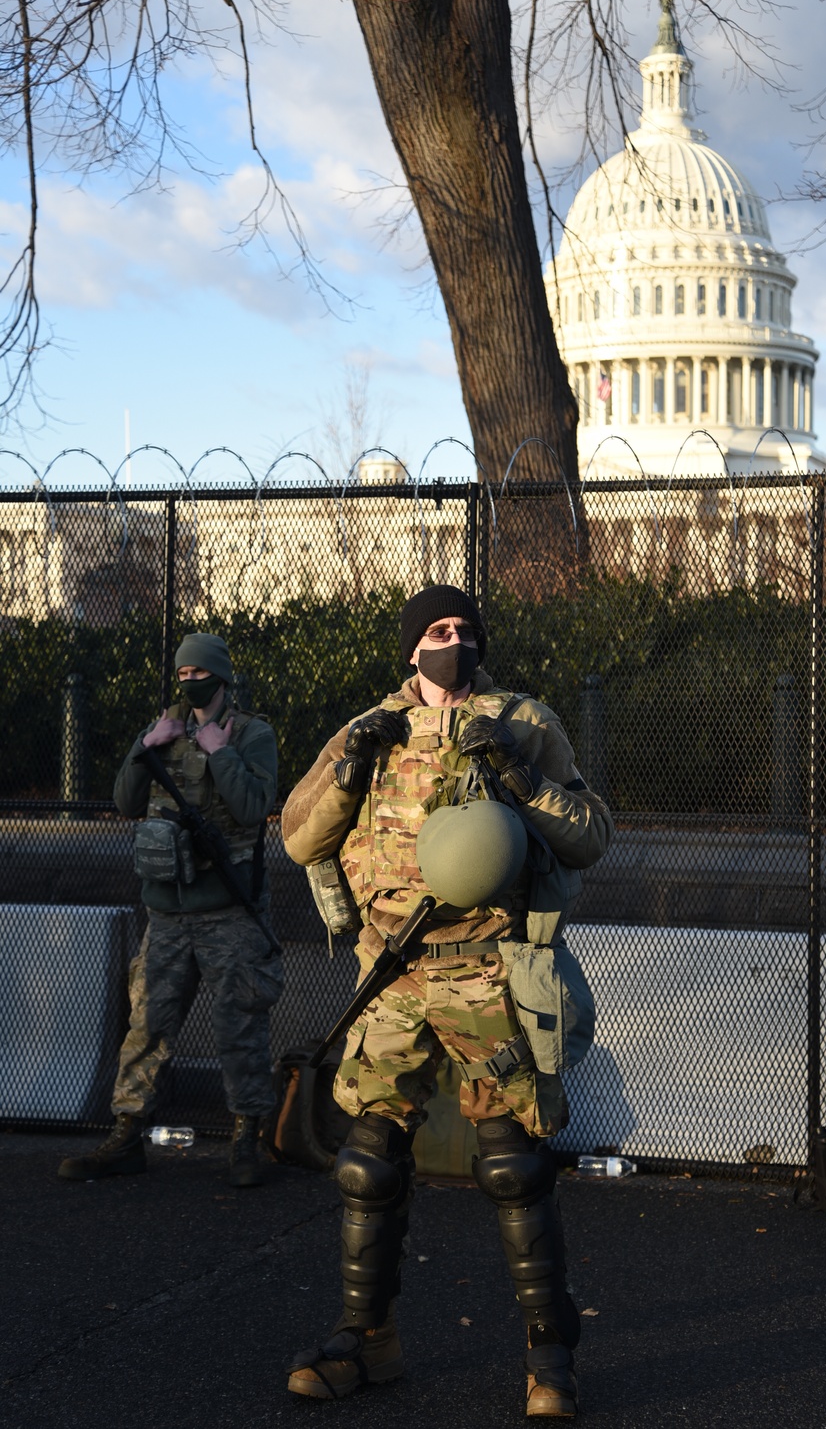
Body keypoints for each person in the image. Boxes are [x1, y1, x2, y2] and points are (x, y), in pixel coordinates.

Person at [280, 584, 613, 1417]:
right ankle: (368, 1341)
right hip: (390, 974)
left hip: (487, 971)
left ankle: (549, 1357)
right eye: (437, 631)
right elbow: (298, 837)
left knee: (513, 1160)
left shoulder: (524, 720)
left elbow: (590, 834)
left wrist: (519, 772)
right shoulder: (368, 728)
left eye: (465, 630)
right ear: (411, 647)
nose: (453, 642)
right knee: (367, 1161)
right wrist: (353, 763)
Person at [57, 632, 283, 1189]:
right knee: (147, 1026)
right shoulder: (163, 730)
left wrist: (219, 751)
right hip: (166, 913)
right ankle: (127, 1134)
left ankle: (247, 1138)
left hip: (229, 912)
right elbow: (126, 802)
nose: (189, 682)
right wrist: (144, 746)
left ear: (222, 677)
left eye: (198, 673)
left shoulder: (251, 733)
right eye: (181, 675)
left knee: (240, 1027)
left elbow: (255, 807)